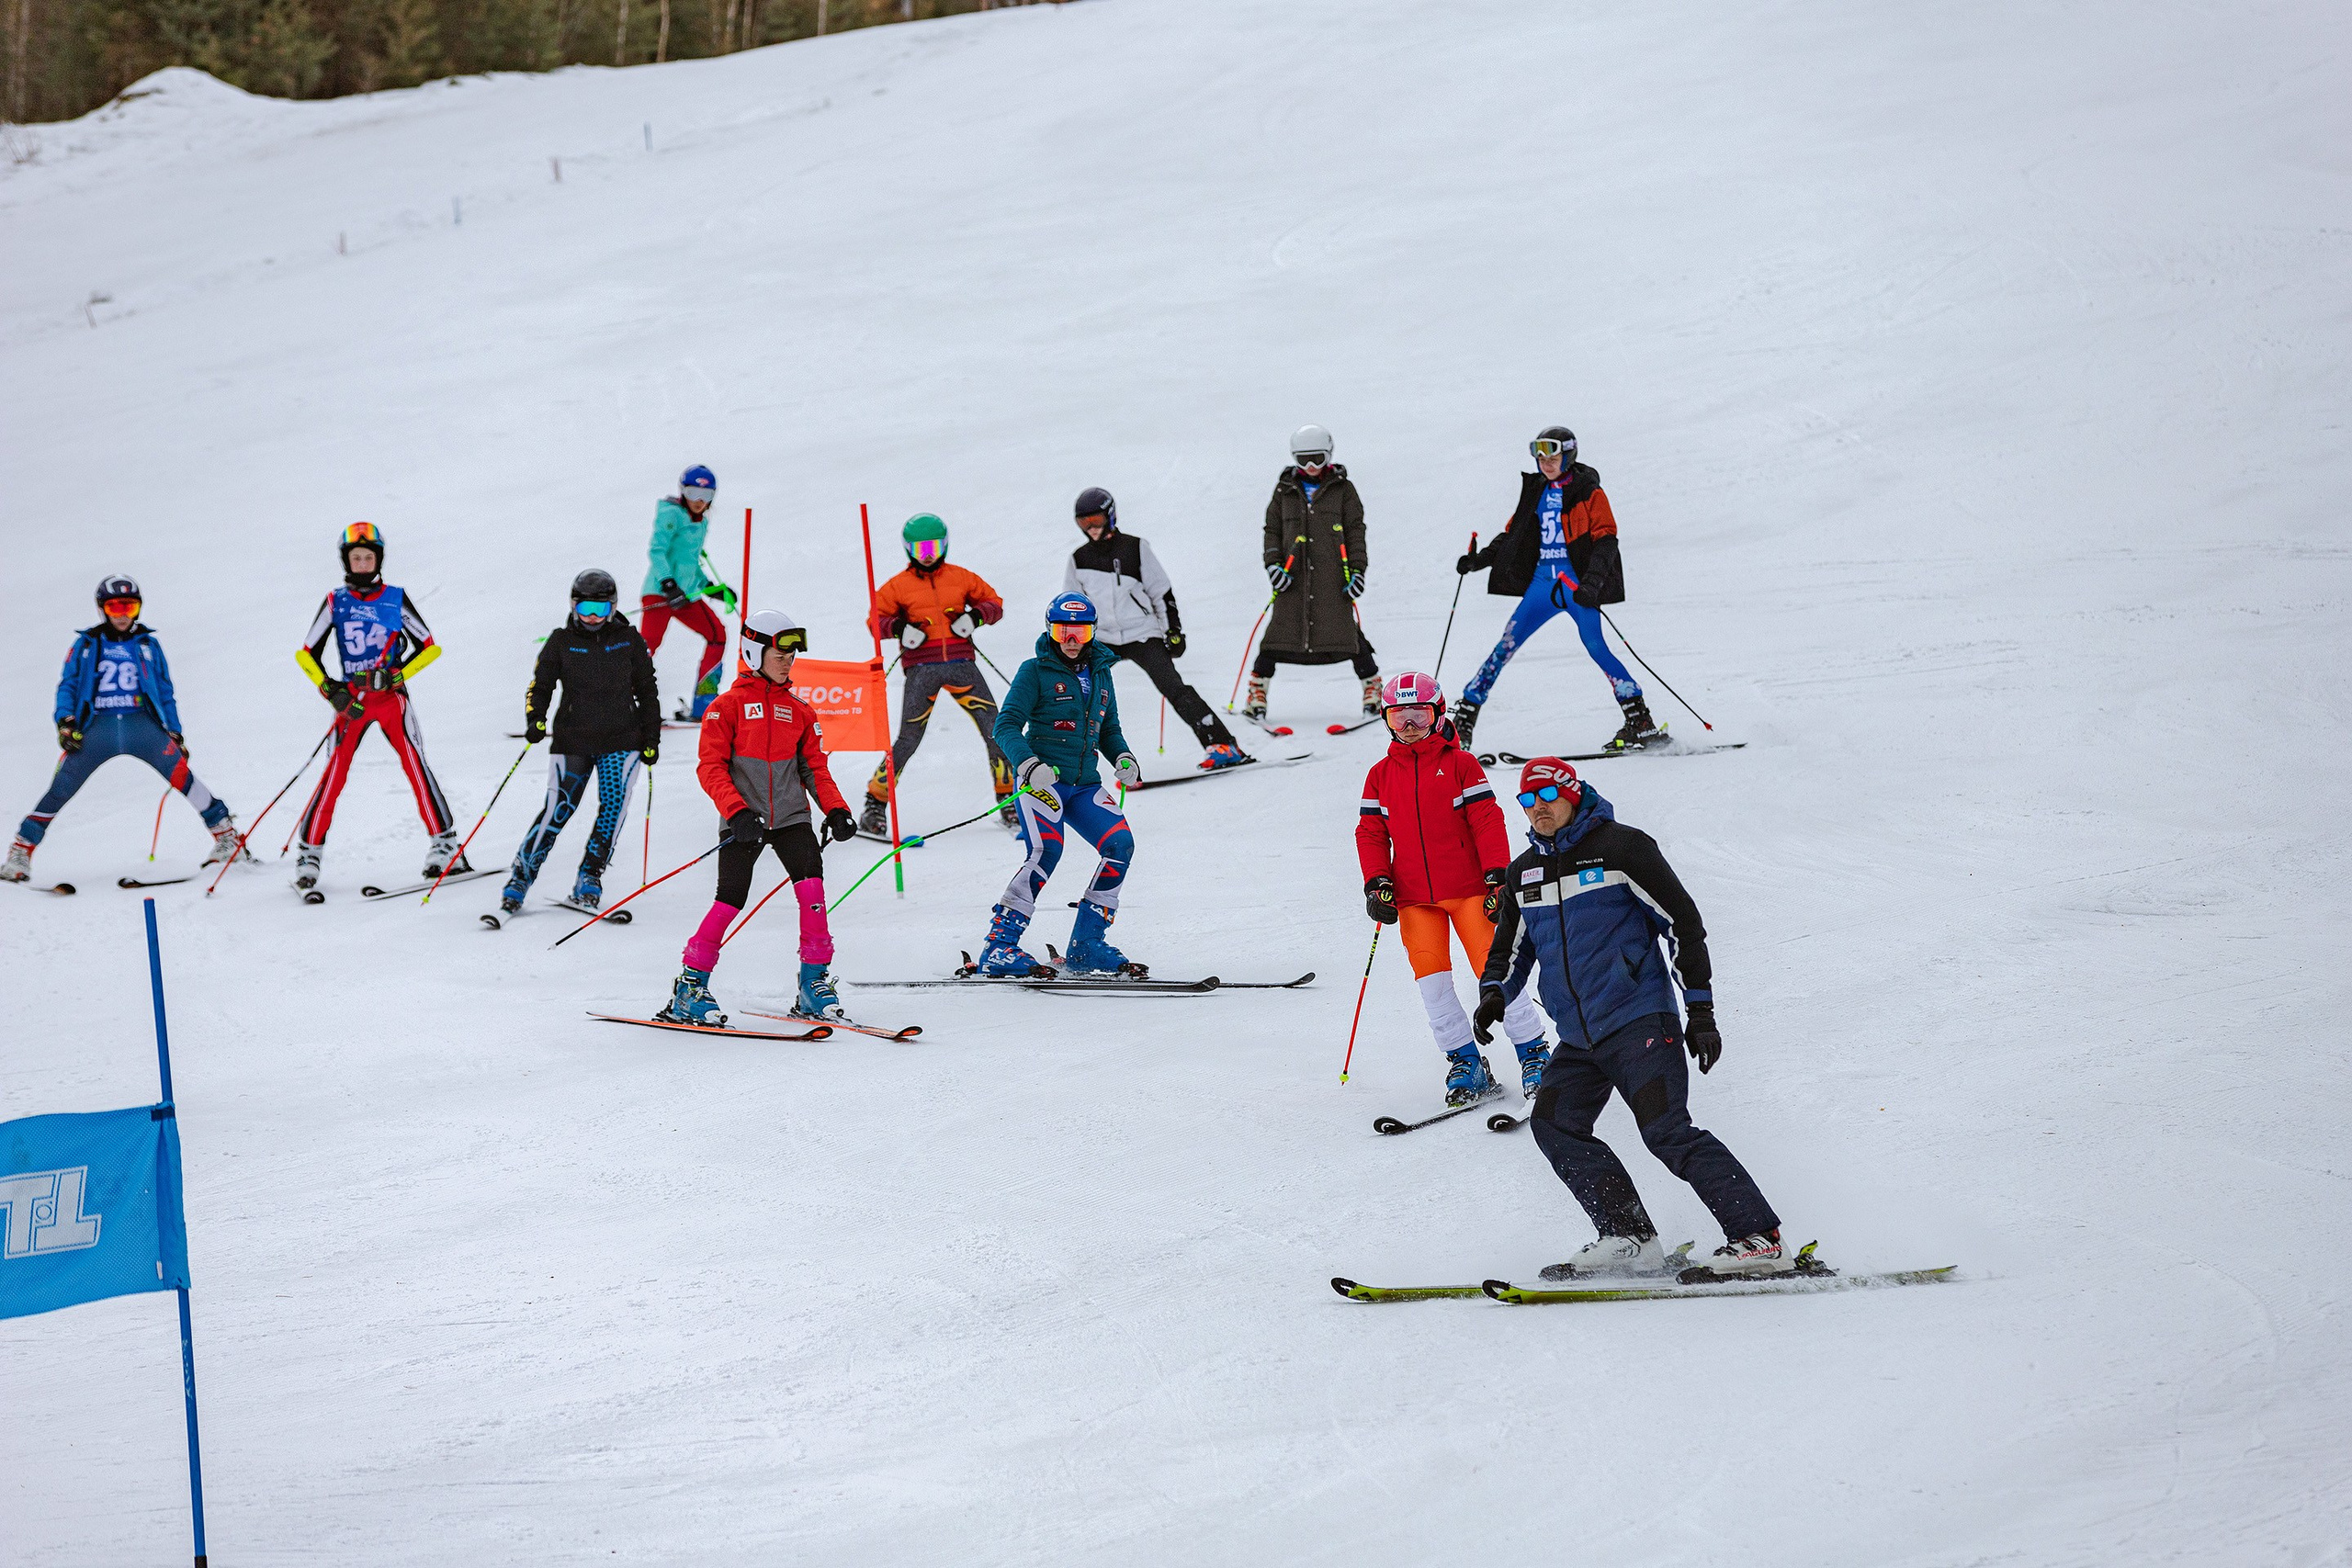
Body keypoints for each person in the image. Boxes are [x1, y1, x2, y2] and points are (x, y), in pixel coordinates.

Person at [1475, 758, 1785, 1275]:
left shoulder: (1623, 848)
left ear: (1573, 794)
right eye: (1527, 802)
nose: (1538, 810)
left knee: (1667, 1131)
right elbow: (1510, 948)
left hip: (1640, 1021)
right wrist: (1494, 995)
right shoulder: (1524, 871)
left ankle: (1757, 1237)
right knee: (1555, 1126)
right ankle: (1629, 1236)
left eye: (1547, 797)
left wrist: (1700, 1012)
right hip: (1577, 1038)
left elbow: (1682, 925)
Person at [1356, 671, 1552, 1106]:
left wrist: (1498, 875)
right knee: (1433, 983)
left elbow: (1486, 820)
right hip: (1412, 898)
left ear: (1438, 713)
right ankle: (1465, 1061)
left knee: (1496, 973)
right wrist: (1377, 882)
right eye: (1398, 717)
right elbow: (1370, 832)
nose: (1408, 726)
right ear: (1386, 720)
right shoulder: (1380, 775)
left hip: (1469, 891)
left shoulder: (1462, 764)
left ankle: (1534, 1052)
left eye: (1419, 715)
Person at [659, 609, 859, 1027]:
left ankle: (813, 983)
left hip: (790, 817)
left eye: (793, 651)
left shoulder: (800, 711)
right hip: (743, 820)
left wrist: (836, 809)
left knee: (813, 893)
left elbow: (815, 769)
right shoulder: (725, 707)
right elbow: (709, 767)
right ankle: (689, 986)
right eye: (780, 651)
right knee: (730, 898)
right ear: (754, 651)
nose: (789, 659)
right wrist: (736, 812)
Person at [5, 575, 246, 883]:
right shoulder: (86, 644)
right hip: (96, 729)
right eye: (115, 606)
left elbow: (164, 691)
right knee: (61, 788)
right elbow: (68, 685)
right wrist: (66, 722)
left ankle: (227, 837)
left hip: (140, 725)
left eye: (129, 607)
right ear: (102, 609)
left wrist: (174, 732)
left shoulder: (148, 644)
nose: (121, 614)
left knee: (182, 775)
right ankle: (21, 850)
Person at [1452, 426, 1658, 752]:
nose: (1546, 463)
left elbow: (1606, 540)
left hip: (1575, 585)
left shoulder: (1588, 491)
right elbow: (1513, 534)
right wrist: (1480, 561)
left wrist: (1592, 584)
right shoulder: (1535, 491)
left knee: (1596, 646)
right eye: (1541, 457)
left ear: (1569, 455)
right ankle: (1465, 716)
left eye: (1553, 456)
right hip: (1541, 586)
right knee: (1505, 645)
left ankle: (1640, 721)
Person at [974, 592, 1145, 978]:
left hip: (1083, 785)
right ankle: (999, 947)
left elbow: (1109, 729)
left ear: (1092, 632)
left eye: (1079, 631)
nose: (1070, 639)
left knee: (1120, 845)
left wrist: (1124, 758)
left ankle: (1088, 946)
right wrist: (1029, 764)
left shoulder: (1101, 672)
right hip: (1040, 784)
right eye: (1062, 629)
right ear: (1050, 630)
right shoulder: (1034, 670)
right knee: (1046, 850)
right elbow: (1005, 726)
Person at [292, 523, 459, 890]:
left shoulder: (395, 597)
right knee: (334, 774)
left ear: (378, 559)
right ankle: (309, 851)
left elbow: (430, 647)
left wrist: (397, 675)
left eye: (369, 557)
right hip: (352, 701)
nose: (364, 564)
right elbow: (306, 654)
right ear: (346, 561)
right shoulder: (336, 601)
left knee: (415, 765)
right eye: (357, 558)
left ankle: (446, 843)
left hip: (390, 700)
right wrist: (330, 690)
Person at [500, 570, 662, 918]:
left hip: (622, 739)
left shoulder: (629, 640)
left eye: (601, 609)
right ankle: (521, 877)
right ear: (573, 606)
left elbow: (648, 690)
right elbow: (540, 686)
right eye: (585, 607)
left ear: (613, 608)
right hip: (573, 738)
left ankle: (590, 876)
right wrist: (535, 719)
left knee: (613, 809)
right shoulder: (561, 640)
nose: (592, 616)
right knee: (559, 808)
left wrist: (652, 736)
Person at [1062, 486, 1248, 771]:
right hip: (1104, 639)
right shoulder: (1079, 559)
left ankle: (1222, 744)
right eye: (1084, 523)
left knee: (1172, 686)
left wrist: (1172, 630)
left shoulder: (1135, 548)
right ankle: (1065, 756)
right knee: (1077, 689)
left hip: (1141, 633)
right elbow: (1073, 605)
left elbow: (1161, 592)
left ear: (1110, 516)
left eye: (1096, 521)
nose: (1091, 529)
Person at [859, 512, 1016, 837]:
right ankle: (874, 804)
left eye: (932, 547)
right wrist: (899, 628)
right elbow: (874, 621)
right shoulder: (898, 586)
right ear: (908, 550)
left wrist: (975, 618)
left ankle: (1009, 799)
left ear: (944, 545)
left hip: (962, 665)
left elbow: (994, 603)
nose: (927, 555)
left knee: (996, 729)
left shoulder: (960, 577)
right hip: (921, 670)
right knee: (908, 739)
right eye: (919, 549)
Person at [1245, 424, 1378, 724]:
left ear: (1328, 456)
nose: (1311, 467)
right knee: (1277, 634)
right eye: (1304, 459)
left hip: (1333, 576)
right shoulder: (1284, 491)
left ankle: (1372, 688)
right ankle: (1257, 692)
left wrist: (1357, 572)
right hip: (1293, 579)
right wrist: (1273, 567)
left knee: (1346, 633)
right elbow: (1273, 532)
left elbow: (1356, 532)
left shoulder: (1343, 490)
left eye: (1317, 458)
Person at [640, 465, 739, 723]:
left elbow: (689, 562)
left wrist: (710, 588)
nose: (699, 501)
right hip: (660, 593)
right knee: (645, 648)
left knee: (717, 635)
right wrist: (669, 584)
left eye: (707, 496)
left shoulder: (701, 523)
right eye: (694, 492)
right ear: (683, 491)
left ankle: (704, 704)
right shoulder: (671, 514)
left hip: (685, 596)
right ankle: (627, 706)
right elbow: (657, 551)